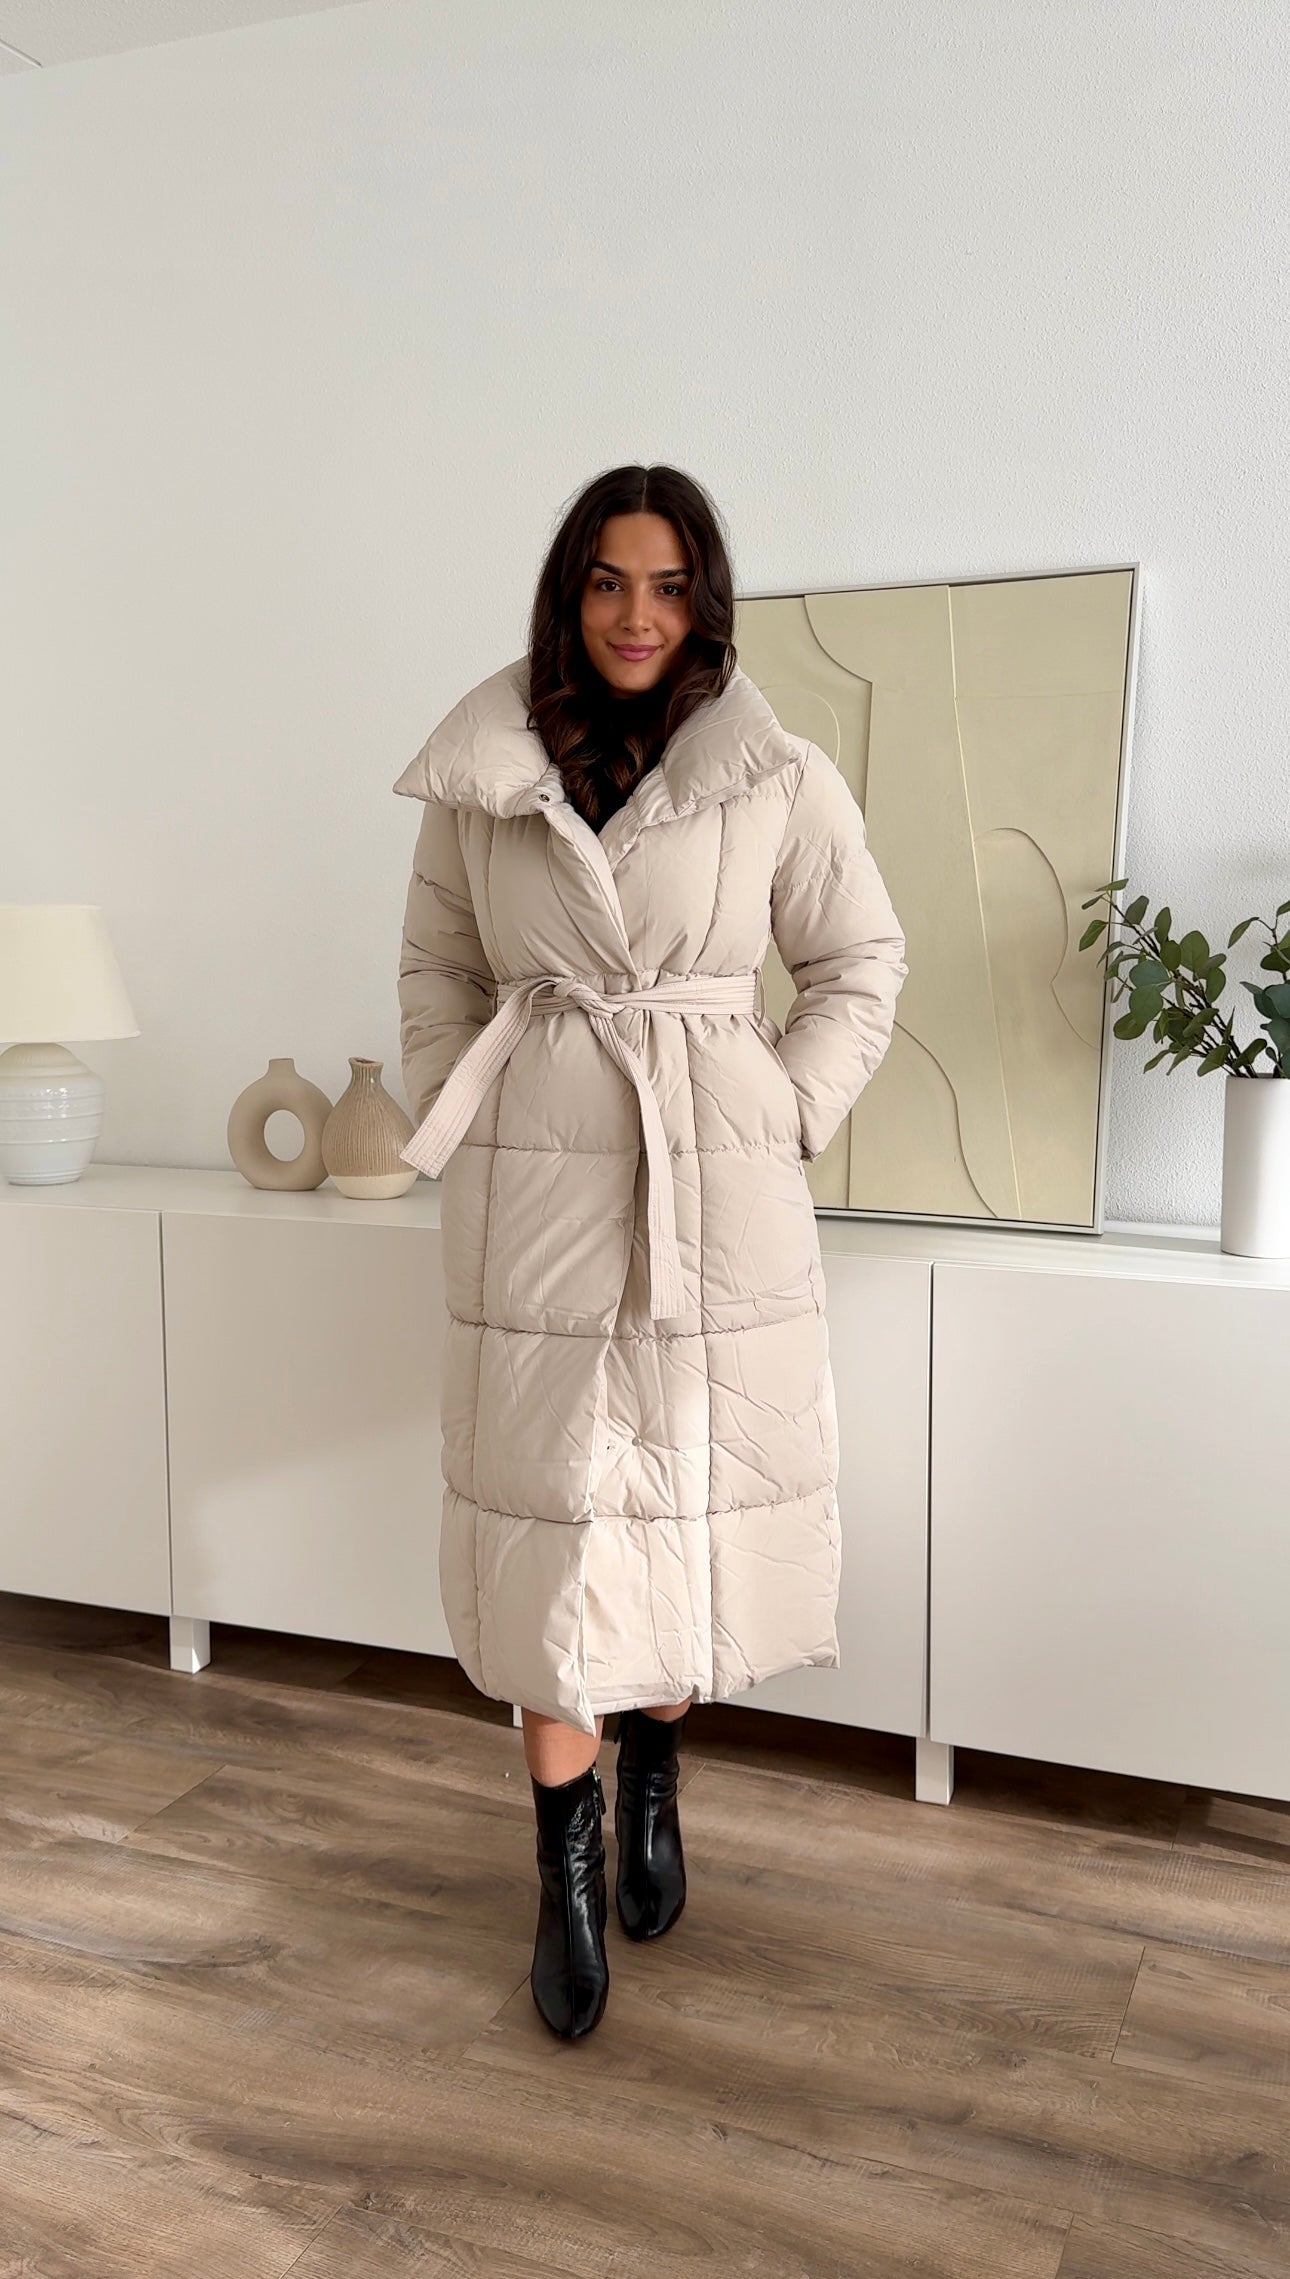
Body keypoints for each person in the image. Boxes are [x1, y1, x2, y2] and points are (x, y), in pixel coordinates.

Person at [392, 464, 907, 2039]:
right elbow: (436, 969)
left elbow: (858, 960)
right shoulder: (481, 776)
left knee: (680, 1505)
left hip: (710, 1181)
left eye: (668, 584)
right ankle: (561, 1868)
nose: (637, 614)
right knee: (551, 1525)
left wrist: (781, 1108)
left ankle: (657, 1762)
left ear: (705, 600)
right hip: (536, 1185)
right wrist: (471, 1107)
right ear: (570, 593)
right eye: (608, 581)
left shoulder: (776, 774)